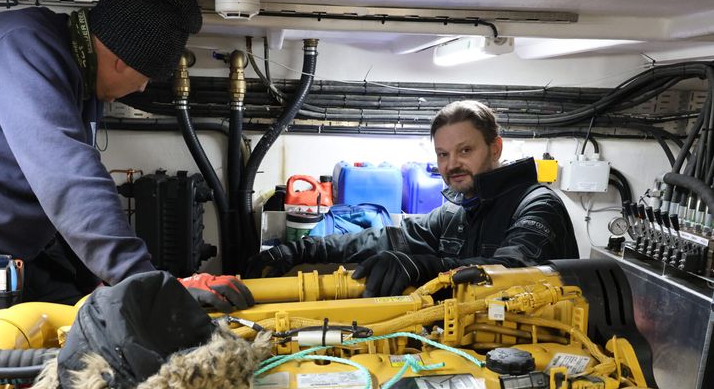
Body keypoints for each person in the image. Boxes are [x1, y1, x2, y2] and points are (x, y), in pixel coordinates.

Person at [0, 0, 252, 338]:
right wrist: (147, 285)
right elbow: (69, 180)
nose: (144, 88)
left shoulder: (65, 65)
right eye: (146, 77)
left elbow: (55, 193)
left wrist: (108, 281)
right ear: (120, 62)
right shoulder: (24, 49)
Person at [245, 100, 579, 296]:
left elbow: (512, 270)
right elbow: (389, 237)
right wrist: (302, 249)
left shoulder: (536, 204)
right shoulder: (459, 210)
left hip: (538, 350)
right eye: (443, 154)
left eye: (465, 150)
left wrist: (424, 266)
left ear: (495, 148)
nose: (452, 164)